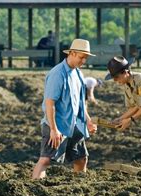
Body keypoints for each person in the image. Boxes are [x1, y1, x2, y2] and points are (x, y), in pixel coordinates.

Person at [32, 39, 98, 180]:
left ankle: (79, 186)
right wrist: (53, 129)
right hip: (58, 124)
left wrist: (88, 121)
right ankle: (34, 188)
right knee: (46, 160)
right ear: (72, 53)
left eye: (85, 58)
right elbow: (50, 103)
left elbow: (80, 102)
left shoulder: (78, 74)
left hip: (75, 124)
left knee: (81, 158)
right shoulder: (57, 74)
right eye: (81, 57)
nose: (83, 61)